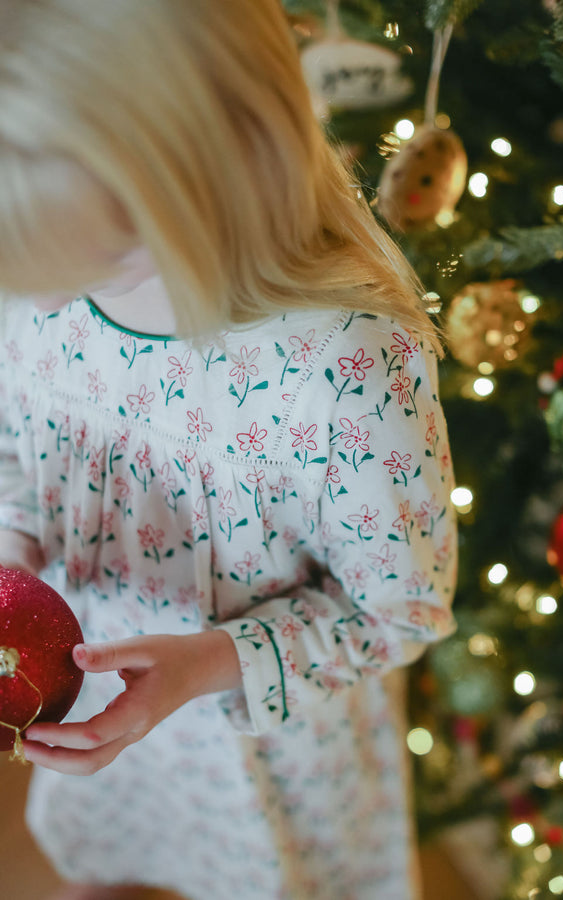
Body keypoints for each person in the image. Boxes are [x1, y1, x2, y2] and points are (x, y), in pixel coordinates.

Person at [0, 2, 457, 899]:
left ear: (218, 173)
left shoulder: (341, 372)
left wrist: (205, 664)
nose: (45, 305)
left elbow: (400, 612)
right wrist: (14, 556)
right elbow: (18, 447)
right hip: (100, 711)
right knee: (109, 862)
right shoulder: (37, 274)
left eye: (89, 271)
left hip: (266, 763)